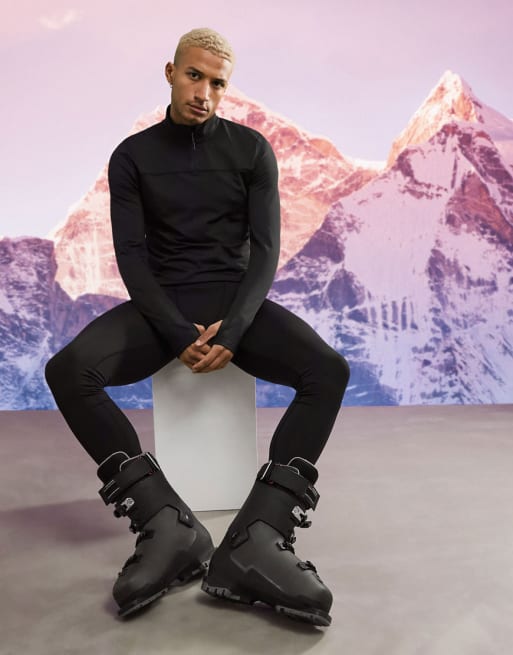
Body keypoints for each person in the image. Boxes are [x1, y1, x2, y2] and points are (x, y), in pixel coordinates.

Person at [45, 27, 349, 627]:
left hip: (236, 303)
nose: (204, 92)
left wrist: (232, 331)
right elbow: (132, 256)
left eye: (217, 83)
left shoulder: (252, 150)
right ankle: (166, 525)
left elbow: (266, 252)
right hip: (162, 306)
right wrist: (176, 332)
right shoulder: (132, 156)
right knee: (68, 370)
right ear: (171, 72)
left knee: (328, 370)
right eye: (194, 76)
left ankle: (258, 538)